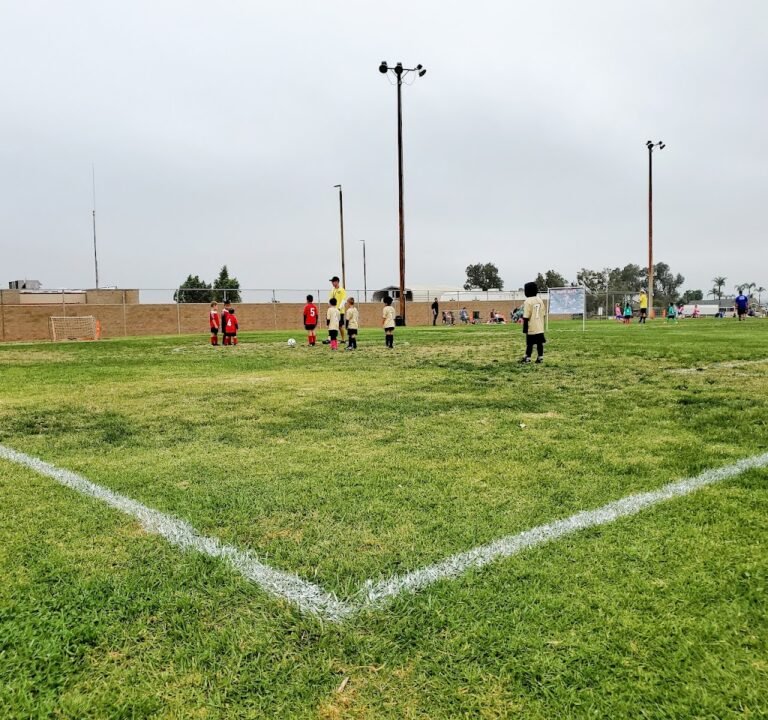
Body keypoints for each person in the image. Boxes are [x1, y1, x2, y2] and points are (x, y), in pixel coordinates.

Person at [520, 281, 546, 364]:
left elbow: (526, 316)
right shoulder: (540, 300)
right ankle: (540, 357)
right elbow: (543, 314)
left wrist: (525, 328)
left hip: (531, 326)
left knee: (530, 344)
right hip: (540, 327)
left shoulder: (527, 301)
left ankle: (527, 357)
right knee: (539, 343)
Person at [329, 276, 347, 341]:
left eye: (333, 281)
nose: (332, 283)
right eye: (332, 282)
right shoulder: (332, 290)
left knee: (340, 326)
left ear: (337, 281)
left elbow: (344, 300)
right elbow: (330, 300)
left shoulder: (342, 290)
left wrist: (339, 308)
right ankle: (332, 339)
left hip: (340, 311)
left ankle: (343, 339)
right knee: (332, 325)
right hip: (333, 310)